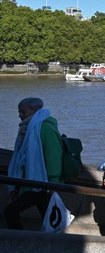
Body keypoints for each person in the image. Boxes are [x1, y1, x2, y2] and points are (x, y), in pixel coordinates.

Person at [5, 97, 64, 230]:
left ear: (33, 110)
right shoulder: (27, 129)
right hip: (32, 183)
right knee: (48, 219)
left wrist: (52, 181)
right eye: (19, 112)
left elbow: (53, 155)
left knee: (11, 211)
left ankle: (19, 244)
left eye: (23, 112)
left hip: (41, 183)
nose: (20, 115)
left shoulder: (45, 128)